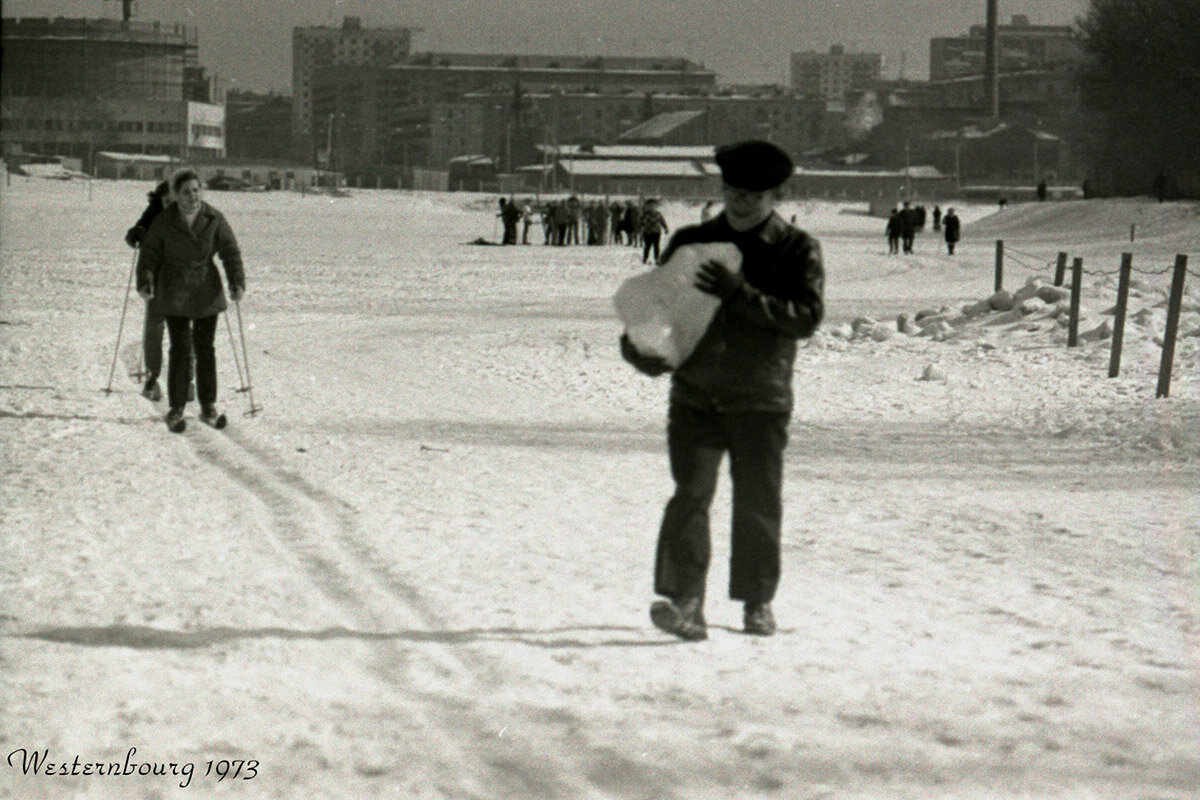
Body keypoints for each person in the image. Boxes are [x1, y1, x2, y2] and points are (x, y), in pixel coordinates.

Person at [619, 140, 824, 640]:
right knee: (690, 496)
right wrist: (640, 349)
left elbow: (805, 318)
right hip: (696, 396)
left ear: (776, 195)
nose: (741, 202)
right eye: (733, 191)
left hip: (760, 397)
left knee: (757, 502)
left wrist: (741, 295)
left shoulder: (796, 248)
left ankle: (757, 603)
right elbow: (659, 310)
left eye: (754, 194)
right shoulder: (692, 242)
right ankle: (686, 603)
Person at [136, 169, 245, 432]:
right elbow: (149, 253)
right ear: (176, 194)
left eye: (196, 190)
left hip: (206, 289)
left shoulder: (214, 218)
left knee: (205, 349)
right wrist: (146, 281)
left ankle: (208, 406)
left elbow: (230, 251)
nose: (192, 196)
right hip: (175, 290)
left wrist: (236, 281)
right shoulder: (164, 221)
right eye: (186, 191)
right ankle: (176, 408)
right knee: (181, 349)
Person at [124, 179, 172, 401]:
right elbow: (139, 228)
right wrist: (136, 234)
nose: (169, 204)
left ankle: (187, 379)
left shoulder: (191, 213)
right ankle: (153, 376)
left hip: (184, 278)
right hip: (156, 277)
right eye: (165, 200)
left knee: (184, 331)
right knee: (154, 327)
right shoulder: (154, 211)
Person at [639, 198, 669, 264]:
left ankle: (657, 259)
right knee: (647, 246)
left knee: (656, 246)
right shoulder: (645, 214)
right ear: (648, 206)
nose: (652, 207)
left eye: (653, 205)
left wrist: (665, 228)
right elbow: (641, 223)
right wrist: (642, 229)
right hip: (647, 232)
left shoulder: (658, 214)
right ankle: (645, 258)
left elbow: (662, 221)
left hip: (656, 232)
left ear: (655, 206)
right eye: (650, 206)